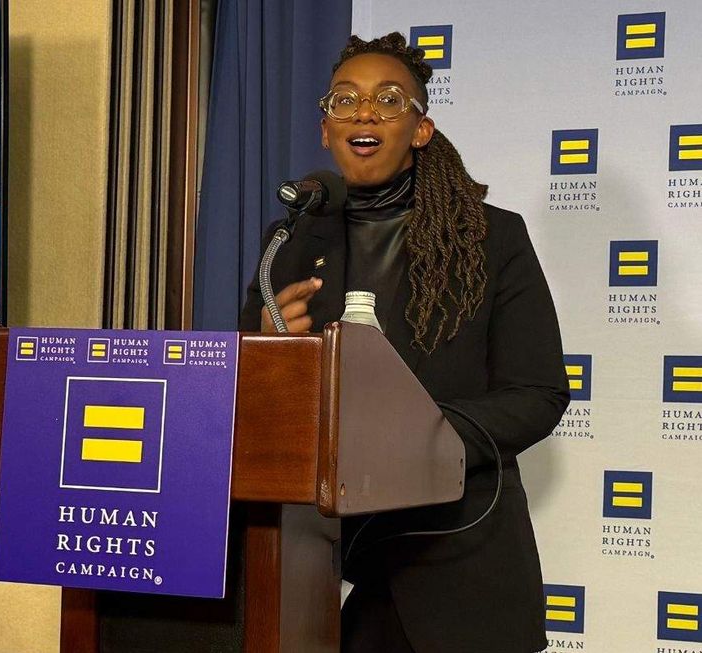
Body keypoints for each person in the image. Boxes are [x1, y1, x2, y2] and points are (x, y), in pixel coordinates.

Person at [238, 33, 570, 653]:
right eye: (345, 100)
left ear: (421, 130)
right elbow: (248, 395)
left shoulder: (491, 239)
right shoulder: (288, 242)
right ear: (324, 131)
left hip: (458, 559)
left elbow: (539, 392)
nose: (364, 113)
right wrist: (267, 348)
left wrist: (415, 439)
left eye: (389, 100)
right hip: (316, 566)